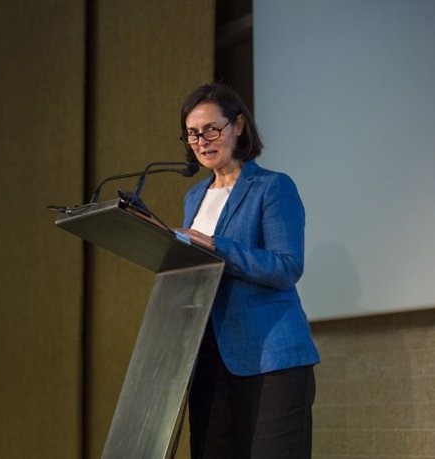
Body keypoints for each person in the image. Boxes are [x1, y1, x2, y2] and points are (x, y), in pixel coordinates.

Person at [175, 82, 320, 459]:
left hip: (270, 358)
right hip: (208, 359)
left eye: (211, 129)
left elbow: (287, 267)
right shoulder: (194, 197)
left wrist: (217, 245)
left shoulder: (272, 187)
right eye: (193, 133)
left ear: (238, 126)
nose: (202, 140)